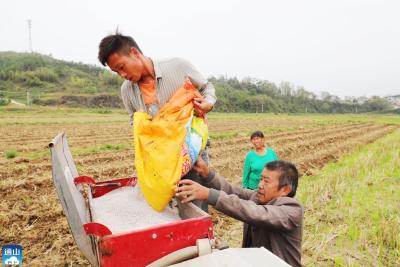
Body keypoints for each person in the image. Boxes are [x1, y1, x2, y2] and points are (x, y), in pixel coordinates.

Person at [98, 33, 216, 211]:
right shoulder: (127, 90)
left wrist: (208, 103)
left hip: (192, 159)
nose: (122, 75)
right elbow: (135, 122)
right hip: (160, 165)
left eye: (122, 67)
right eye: (116, 72)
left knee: (196, 214)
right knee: (165, 213)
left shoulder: (178, 66)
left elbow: (207, 87)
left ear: (134, 53)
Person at [175, 157, 303, 267]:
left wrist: (209, 194)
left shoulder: (291, 210)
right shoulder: (258, 197)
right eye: (261, 179)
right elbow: (232, 191)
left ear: (285, 189)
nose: (260, 185)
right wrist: (207, 174)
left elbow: (256, 212)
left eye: (266, 181)